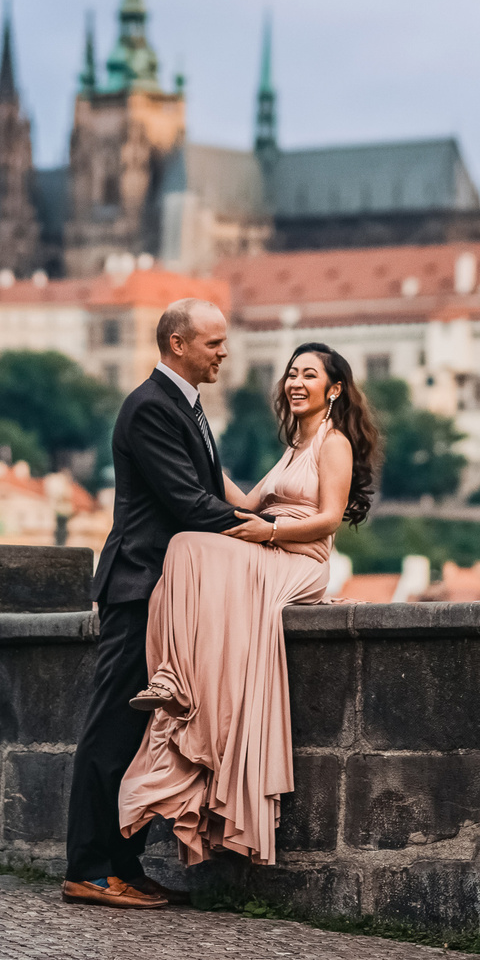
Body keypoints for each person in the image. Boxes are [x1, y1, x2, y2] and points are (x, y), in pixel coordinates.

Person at [116, 340, 381, 867]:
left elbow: (329, 518)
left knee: (189, 547)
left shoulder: (334, 444)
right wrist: (200, 455)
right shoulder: (291, 449)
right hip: (268, 548)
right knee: (187, 547)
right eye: (291, 373)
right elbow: (243, 504)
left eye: (309, 374)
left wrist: (272, 532)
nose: (296, 382)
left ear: (333, 390)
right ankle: (178, 678)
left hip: (299, 560)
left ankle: (177, 677)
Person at [61, 297, 265, 909]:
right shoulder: (151, 406)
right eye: (213, 343)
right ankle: (90, 868)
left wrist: (260, 514)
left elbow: (205, 492)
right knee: (113, 728)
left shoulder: (184, 404)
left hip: (166, 588)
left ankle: (123, 865)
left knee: (148, 732)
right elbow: (188, 503)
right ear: (178, 344)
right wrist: (269, 530)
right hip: (139, 585)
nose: (224, 352)